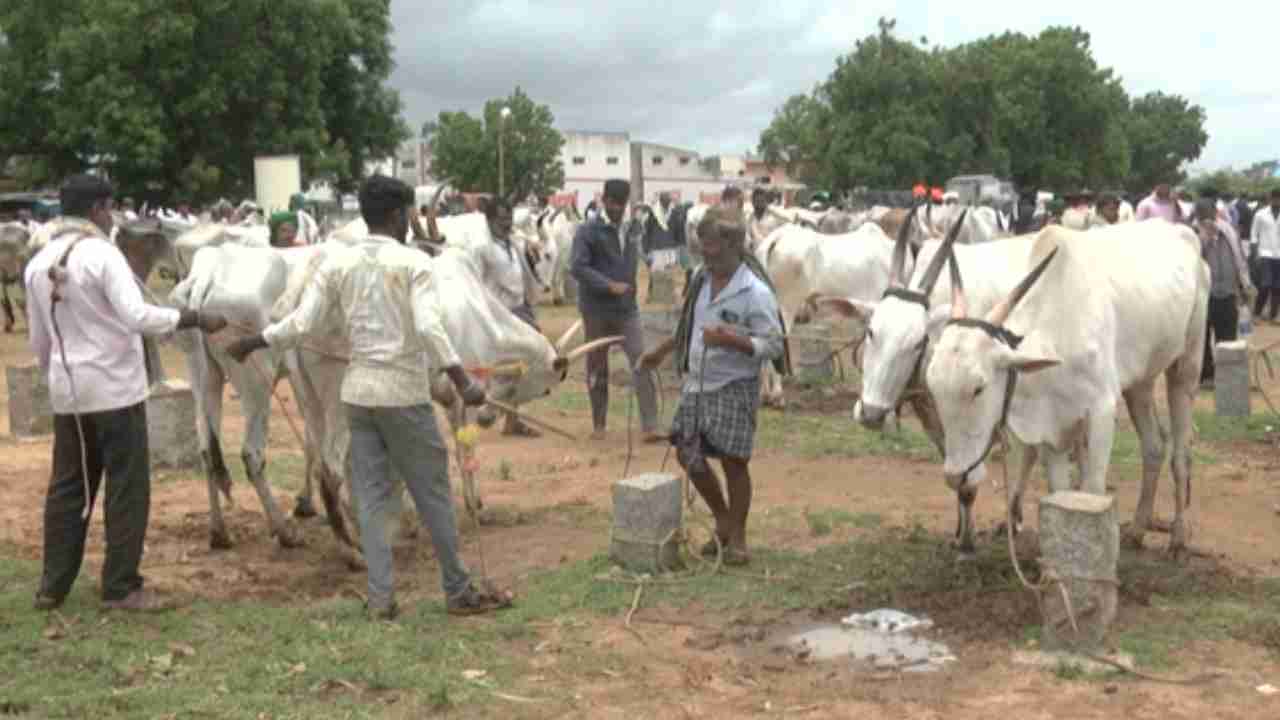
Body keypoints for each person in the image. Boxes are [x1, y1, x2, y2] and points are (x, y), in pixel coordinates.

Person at [224, 175, 513, 620]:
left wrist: (253, 343)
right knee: (433, 491)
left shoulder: (338, 265)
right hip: (402, 394)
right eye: (408, 215)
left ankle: (381, 598)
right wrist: (462, 381)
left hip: (359, 396)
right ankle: (456, 589)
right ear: (398, 216)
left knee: (373, 497)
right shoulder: (414, 263)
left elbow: (300, 324)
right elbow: (429, 327)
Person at [25, 174, 228, 612]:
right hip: (116, 392)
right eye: (110, 208)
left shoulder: (37, 262)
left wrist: (61, 378)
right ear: (100, 208)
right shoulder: (103, 255)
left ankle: (51, 587)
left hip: (69, 395)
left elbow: (40, 343)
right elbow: (137, 316)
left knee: (67, 488)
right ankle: (120, 586)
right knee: (126, 488)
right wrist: (192, 318)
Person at [639, 206, 785, 566]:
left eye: (713, 249)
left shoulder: (755, 293)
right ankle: (722, 518)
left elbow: (775, 344)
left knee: (734, 462)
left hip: (735, 383)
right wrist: (659, 353)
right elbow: (687, 324)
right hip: (697, 382)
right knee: (687, 453)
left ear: (734, 246)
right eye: (702, 248)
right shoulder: (701, 279)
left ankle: (738, 537)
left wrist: (731, 341)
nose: (706, 255)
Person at [569, 179, 661, 442]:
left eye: (623, 204)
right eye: (614, 204)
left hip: (627, 310)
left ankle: (650, 426)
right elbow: (577, 267)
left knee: (642, 360)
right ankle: (599, 425)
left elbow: (635, 257)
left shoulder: (632, 229)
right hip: (596, 311)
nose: (618, 209)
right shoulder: (588, 231)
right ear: (604, 200)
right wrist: (608, 286)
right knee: (597, 367)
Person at [473, 197, 541, 437]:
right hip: (495, 315)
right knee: (504, 368)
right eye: (501, 220)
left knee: (520, 367)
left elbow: (523, 275)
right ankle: (488, 410)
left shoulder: (513, 243)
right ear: (489, 220)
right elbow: (474, 282)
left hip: (518, 311)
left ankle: (512, 420)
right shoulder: (481, 249)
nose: (506, 223)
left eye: (509, 219)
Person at [1195, 199, 1255, 387]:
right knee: (1202, 338)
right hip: (1203, 294)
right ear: (1197, 216)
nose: (1207, 219)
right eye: (1202, 215)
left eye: (1209, 214)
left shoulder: (1228, 230)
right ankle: (1206, 376)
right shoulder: (1192, 233)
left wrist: (1245, 285)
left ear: (1215, 212)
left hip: (1228, 292)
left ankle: (1227, 375)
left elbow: (1239, 259)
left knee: (1227, 336)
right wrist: (1205, 238)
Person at [1251, 189, 1280, 323]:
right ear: (1270, 198)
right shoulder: (1260, 214)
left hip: (1279, 255)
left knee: (1277, 287)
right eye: (1275, 198)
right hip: (1265, 253)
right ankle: (1257, 313)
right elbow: (1253, 234)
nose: (1277, 201)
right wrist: (1255, 252)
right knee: (1265, 285)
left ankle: (1274, 315)